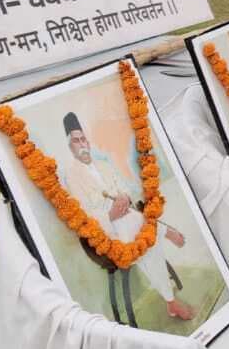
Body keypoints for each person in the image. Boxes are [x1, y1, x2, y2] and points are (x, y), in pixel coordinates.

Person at [60, 111, 195, 321]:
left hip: (128, 220)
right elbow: (84, 216)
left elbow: (126, 191)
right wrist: (110, 215)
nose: (82, 144)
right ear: (71, 147)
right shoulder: (72, 175)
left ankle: (171, 302)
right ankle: (165, 231)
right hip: (107, 231)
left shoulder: (103, 165)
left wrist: (124, 198)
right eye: (76, 141)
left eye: (83, 139)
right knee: (141, 230)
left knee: (138, 230)